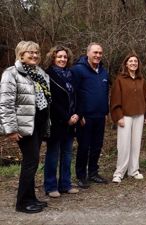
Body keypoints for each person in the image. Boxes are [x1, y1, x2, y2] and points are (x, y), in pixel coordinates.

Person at [0, 41, 51, 213]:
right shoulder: (12, 73)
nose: (35, 55)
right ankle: (23, 202)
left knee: (33, 161)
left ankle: (31, 198)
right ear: (21, 54)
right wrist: (11, 129)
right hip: (23, 125)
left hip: (38, 123)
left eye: (36, 52)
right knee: (31, 161)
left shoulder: (39, 73)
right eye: (30, 52)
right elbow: (5, 104)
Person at [43, 46, 80, 197]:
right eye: (59, 57)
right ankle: (51, 186)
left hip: (72, 121)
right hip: (57, 121)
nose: (62, 59)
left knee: (67, 153)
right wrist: (66, 117)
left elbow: (77, 96)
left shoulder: (71, 74)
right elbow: (50, 100)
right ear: (53, 58)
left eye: (65, 57)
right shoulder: (47, 75)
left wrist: (77, 114)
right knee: (52, 154)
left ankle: (65, 184)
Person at [72, 43, 109, 188]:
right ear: (88, 53)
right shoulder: (78, 70)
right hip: (85, 117)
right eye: (95, 52)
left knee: (97, 146)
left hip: (100, 115)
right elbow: (74, 94)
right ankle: (81, 176)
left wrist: (105, 112)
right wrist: (79, 114)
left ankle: (93, 172)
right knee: (84, 146)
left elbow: (105, 93)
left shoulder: (104, 71)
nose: (98, 55)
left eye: (100, 53)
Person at [110, 53, 146, 183]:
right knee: (123, 144)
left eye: (135, 61)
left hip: (139, 115)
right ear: (126, 64)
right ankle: (119, 172)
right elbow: (115, 99)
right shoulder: (120, 80)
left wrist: (145, 115)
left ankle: (133, 170)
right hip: (125, 116)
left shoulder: (141, 80)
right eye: (131, 61)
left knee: (136, 144)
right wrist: (118, 116)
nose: (133, 63)